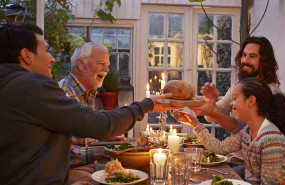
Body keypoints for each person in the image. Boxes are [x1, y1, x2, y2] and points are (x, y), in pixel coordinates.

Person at [0, 23, 172, 185]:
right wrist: (147, 105)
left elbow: (29, 154)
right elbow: (99, 125)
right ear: (26, 55)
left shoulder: (9, 85)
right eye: (46, 50)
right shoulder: (32, 86)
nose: (52, 58)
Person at [174, 77, 285, 185]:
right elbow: (218, 148)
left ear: (251, 101)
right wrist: (193, 122)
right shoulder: (248, 132)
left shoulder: (270, 139)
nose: (231, 104)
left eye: (235, 98)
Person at [190, 36, 282, 178]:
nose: (245, 61)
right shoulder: (240, 85)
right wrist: (212, 101)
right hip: (235, 157)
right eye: (244, 55)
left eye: (252, 56)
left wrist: (210, 114)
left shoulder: (270, 92)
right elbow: (210, 117)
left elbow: (246, 128)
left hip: (250, 163)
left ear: (264, 61)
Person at [58, 42, 124, 184]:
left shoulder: (87, 92)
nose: (106, 69)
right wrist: (97, 151)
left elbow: (80, 138)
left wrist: (106, 136)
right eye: (101, 63)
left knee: (129, 172)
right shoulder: (65, 95)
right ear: (81, 64)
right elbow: (56, 153)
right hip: (67, 171)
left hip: (85, 165)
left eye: (107, 64)